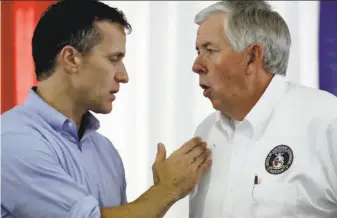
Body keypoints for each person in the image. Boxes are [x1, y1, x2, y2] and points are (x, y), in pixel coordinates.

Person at [1, 0, 212, 218]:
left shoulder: (105, 151)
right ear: (71, 59)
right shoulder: (11, 140)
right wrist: (168, 189)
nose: (124, 75)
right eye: (114, 59)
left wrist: (162, 193)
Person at [189, 1, 337, 218]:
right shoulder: (206, 133)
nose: (196, 65)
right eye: (198, 51)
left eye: (209, 50)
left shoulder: (326, 119)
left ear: (252, 57)